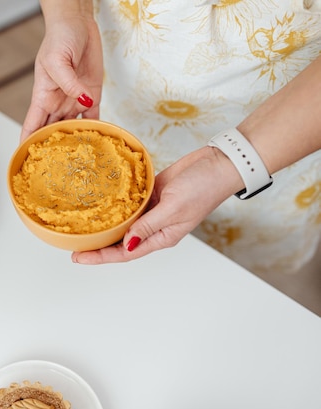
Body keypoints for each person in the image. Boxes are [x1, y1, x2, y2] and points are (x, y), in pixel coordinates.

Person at [21, 0, 321, 276]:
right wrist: (71, 15)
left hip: (277, 141)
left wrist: (232, 161)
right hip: (116, 83)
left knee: (234, 273)